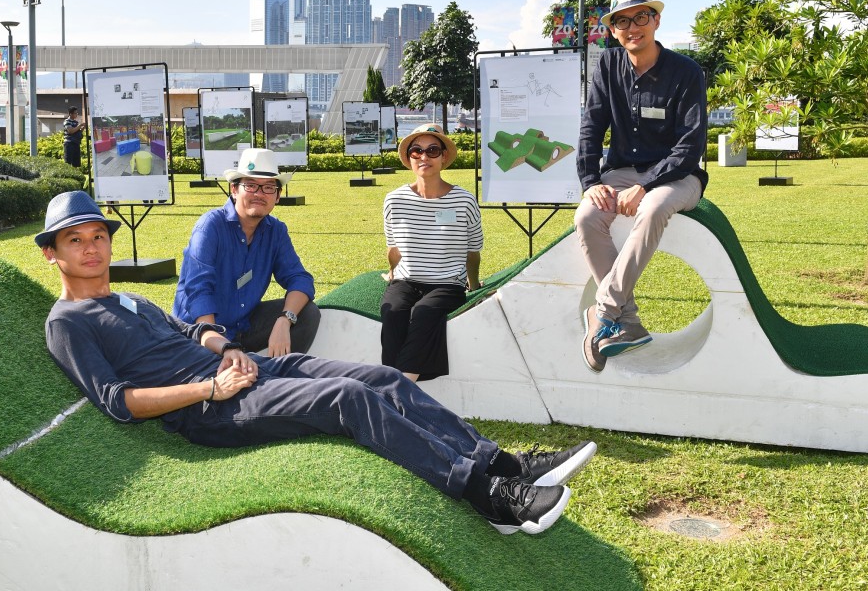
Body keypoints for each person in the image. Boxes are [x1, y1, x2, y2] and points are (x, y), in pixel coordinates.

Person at [38, 190, 597, 536]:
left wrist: (226, 347)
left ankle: (503, 463)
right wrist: (209, 391)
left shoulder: (127, 298)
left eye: (97, 236)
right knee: (347, 399)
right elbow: (118, 403)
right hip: (210, 410)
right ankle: (488, 496)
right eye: (75, 240)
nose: (92, 248)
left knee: (377, 376)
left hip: (241, 370)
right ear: (51, 253)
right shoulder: (68, 322)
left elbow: (186, 330)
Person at [575, 0, 708, 373]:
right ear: (613, 30)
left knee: (651, 209)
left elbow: (690, 144)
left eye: (641, 17)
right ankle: (628, 322)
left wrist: (647, 184)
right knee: (586, 216)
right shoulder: (607, 66)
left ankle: (604, 311)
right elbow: (590, 128)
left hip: (677, 176)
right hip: (618, 172)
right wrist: (591, 183)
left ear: (656, 20)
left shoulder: (686, 72)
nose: (633, 27)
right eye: (622, 21)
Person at [172, 148, 320, 356]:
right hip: (200, 335)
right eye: (250, 185)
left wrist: (285, 319)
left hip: (242, 327)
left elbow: (299, 278)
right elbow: (198, 291)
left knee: (306, 313)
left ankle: (280, 378)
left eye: (269, 188)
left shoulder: (275, 231)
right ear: (234, 189)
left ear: (277, 196)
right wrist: (220, 347)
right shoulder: (210, 227)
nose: (259, 194)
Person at [381, 124, 483, 382]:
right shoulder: (394, 200)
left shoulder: (464, 200)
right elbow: (393, 248)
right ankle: (398, 385)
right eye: (416, 151)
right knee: (392, 311)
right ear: (409, 158)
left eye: (432, 150)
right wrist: (392, 273)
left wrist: (472, 284)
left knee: (425, 312)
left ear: (444, 157)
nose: (424, 157)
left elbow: (473, 251)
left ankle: (398, 388)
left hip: (447, 283)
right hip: (406, 280)